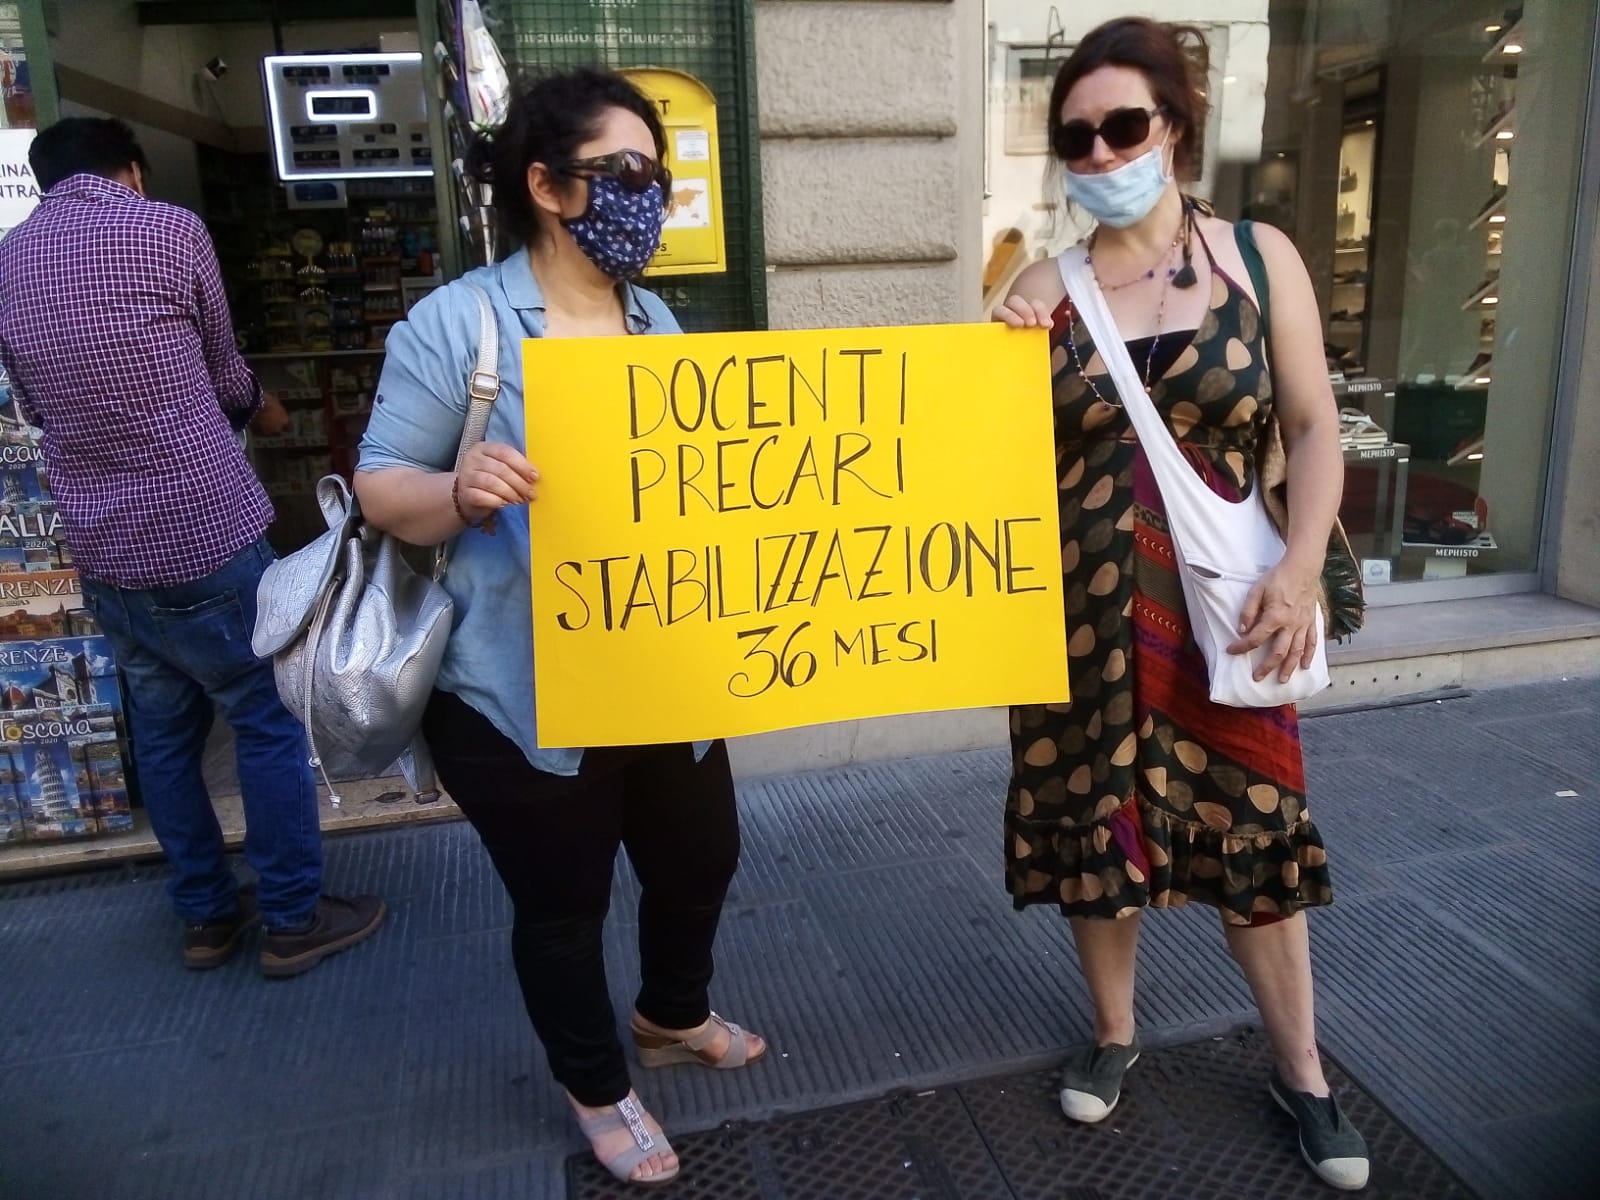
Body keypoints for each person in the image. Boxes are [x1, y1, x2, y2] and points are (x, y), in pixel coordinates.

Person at [354, 68, 764, 1189]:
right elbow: (380, 486)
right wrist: (460, 489)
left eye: (656, 175)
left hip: (657, 668)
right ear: (545, 185)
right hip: (516, 692)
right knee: (563, 904)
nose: (648, 194)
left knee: (700, 858)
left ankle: (671, 1014)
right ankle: (596, 1086)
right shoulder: (459, 325)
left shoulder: (654, 318)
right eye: (623, 171)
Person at [991, 18, 1369, 1191]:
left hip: (1227, 608)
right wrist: (992, 358)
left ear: (1174, 128)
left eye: (1122, 126)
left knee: (1252, 821)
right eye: (1075, 138)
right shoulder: (1039, 289)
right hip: (1076, 618)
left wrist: (1299, 568)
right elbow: (983, 467)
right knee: (1092, 823)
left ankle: (1301, 1071)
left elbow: (1311, 424)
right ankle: (1113, 1032)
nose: (1100, 154)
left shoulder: (1257, 258)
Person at [0, 118, 384, 977]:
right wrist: (261, 410)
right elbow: (222, 369)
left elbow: (33, 405)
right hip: (199, 527)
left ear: (46, 180)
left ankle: (207, 917)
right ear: (132, 171)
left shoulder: (8, 260)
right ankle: (291, 918)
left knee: (164, 735)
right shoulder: (168, 229)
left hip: (103, 547)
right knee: (267, 720)